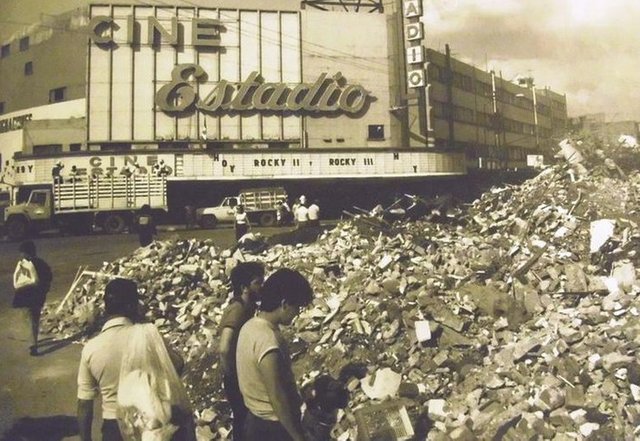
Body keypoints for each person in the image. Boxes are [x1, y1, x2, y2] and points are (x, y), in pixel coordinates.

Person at [77, 278, 183, 441]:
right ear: (133, 305)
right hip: (152, 424)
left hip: (114, 428)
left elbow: (85, 404)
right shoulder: (149, 336)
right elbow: (177, 366)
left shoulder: (91, 348)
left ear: (106, 307)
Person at [236, 269, 314, 441]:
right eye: (297, 308)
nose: (297, 315)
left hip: (253, 418)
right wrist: (297, 437)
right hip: (272, 428)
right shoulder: (268, 341)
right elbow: (277, 398)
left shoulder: (249, 327)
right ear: (285, 304)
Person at [218, 262, 266, 441]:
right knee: (243, 420)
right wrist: (233, 377)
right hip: (236, 378)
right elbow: (224, 348)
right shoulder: (237, 310)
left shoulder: (249, 306)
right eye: (257, 283)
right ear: (244, 287)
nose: (261, 287)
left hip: (242, 374)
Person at [12, 240, 52, 356]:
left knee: (29, 321)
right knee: (34, 320)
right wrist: (44, 291)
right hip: (37, 298)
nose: (20, 255)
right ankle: (33, 340)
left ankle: (33, 345)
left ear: (26, 253)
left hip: (25, 298)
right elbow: (48, 278)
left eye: (22, 253)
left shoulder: (24, 265)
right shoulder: (42, 264)